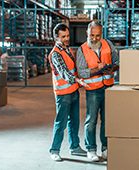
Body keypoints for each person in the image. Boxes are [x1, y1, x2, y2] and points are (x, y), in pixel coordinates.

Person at [76, 21, 119, 162]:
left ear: (102, 34)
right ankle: (91, 149)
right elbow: (81, 72)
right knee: (91, 121)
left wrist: (111, 68)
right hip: (93, 91)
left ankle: (105, 148)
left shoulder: (109, 45)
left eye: (97, 35)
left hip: (108, 87)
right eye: (92, 35)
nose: (94, 38)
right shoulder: (82, 49)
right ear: (87, 33)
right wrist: (97, 69)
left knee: (107, 121)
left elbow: (117, 62)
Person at [48, 23, 89, 161]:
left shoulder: (68, 49)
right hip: (63, 94)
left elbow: (74, 67)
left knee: (74, 121)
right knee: (61, 122)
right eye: (63, 36)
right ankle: (54, 150)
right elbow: (64, 73)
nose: (67, 38)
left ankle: (75, 147)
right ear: (56, 37)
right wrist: (78, 80)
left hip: (74, 91)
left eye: (67, 36)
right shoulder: (55, 54)